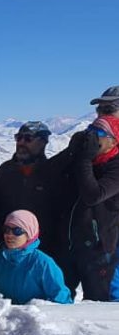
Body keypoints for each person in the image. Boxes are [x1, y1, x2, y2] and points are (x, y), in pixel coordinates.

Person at [0, 121, 73, 289]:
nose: (21, 143)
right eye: (18, 137)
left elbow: (62, 211)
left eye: (28, 138)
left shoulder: (53, 172)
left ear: (43, 142)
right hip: (10, 248)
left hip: (46, 249)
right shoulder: (6, 170)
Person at [67, 115, 119, 301]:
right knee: (60, 302)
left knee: (99, 302)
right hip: (74, 242)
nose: (92, 136)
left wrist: (84, 158)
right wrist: (71, 152)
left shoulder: (115, 166)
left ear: (113, 141)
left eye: (99, 133)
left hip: (101, 247)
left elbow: (93, 195)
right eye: (90, 130)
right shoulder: (88, 161)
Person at [0, 210, 71, 304]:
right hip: (9, 315)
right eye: (6, 229)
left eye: (17, 231)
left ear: (29, 234)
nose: (9, 235)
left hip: (37, 315)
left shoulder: (43, 263)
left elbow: (61, 301)